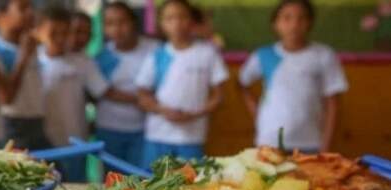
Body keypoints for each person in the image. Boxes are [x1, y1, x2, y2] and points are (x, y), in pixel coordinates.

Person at [36, 6, 131, 182]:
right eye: (54, 33)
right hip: (43, 141)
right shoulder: (34, 60)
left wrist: (142, 100)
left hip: (75, 142)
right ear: (39, 31)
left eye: (65, 33)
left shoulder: (83, 61)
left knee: (75, 187)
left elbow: (103, 91)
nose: (61, 38)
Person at [239, 0, 348, 152]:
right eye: (287, 18)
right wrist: (255, 112)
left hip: (310, 142)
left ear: (310, 22)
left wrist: (326, 145)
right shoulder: (262, 55)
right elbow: (242, 83)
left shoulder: (323, 55)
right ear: (275, 23)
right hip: (269, 141)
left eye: (301, 18)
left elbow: (333, 104)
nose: (294, 25)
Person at [136, 0, 228, 168]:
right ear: (161, 24)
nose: (177, 23)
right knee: (150, 184)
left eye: (182, 17)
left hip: (191, 137)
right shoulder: (156, 55)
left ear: (192, 20)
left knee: (191, 187)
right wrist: (162, 110)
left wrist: (193, 114)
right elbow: (142, 95)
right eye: (169, 18)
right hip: (157, 135)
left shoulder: (208, 54)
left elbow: (219, 96)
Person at [94, 1, 159, 167]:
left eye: (122, 22)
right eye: (110, 24)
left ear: (134, 22)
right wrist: (142, 99)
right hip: (109, 129)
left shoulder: (155, 50)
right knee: (112, 180)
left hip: (144, 130)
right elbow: (105, 92)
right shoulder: (103, 56)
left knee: (141, 180)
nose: (117, 29)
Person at [0, 0, 49, 150]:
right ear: (1, 15)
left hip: (37, 121)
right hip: (15, 124)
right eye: (22, 8)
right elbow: (6, 99)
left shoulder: (31, 44)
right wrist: (23, 58)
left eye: (30, 7)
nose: (30, 13)